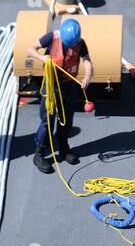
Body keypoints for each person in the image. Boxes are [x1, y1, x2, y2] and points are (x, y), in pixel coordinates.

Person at [30, 18, 93, 173]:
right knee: (48, 121)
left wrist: (87, 77)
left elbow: (87, 61)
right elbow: (31, 49)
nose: (71, 47)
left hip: (69, 87)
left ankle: (64, 148)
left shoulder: (80, 43)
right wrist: (42, 57)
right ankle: (39, 153)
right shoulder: (51, 37)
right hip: (51, 86)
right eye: (68, 44)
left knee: (67, 119)